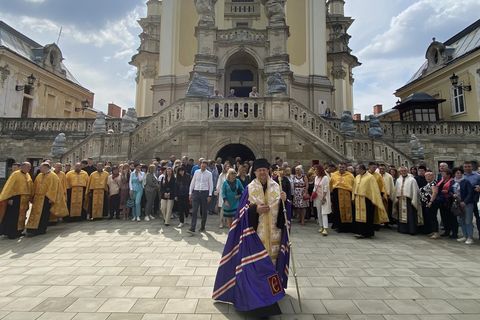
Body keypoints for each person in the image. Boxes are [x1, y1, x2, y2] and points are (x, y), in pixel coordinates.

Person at [212, 158, 290, 317]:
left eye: (264, 169)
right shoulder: (249, 188)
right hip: (256, 238)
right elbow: (240, 213)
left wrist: (285, 201)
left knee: (272, 267)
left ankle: (271, 297)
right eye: (259, 170)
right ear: (254, 172)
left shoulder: (277, 187)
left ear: (268, 170)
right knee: (258, 269)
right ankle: (258, 301)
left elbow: (285, 210)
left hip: (275, 235)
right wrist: (255, 210)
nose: (262, 172)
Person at [352, 164, 389, 238]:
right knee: (359, 217)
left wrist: (374, 198)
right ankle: (360, 232)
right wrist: (353, 197)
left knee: (367, 217)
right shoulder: (357, 177)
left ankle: (367, 233)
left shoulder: (370, 177)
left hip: (367, 199)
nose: (356, 170)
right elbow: (354, 187)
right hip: (358, 199)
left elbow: (374, 189)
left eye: (357, 169)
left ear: (362, 169)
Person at [25, 162, 60, 236]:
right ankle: (31, 228)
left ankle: (41, 229)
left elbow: (54, 188)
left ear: (45, 167)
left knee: (44, 214)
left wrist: (50, 198)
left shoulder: (53, 176)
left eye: (41, 167)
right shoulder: (39, 175)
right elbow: (35, 185)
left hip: (46, 198)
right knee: (34, 214)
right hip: (37, 198)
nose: (39, 169)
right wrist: (32, 196)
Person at [0, 162, 33, 239]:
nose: (29, 169)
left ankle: (19, 231)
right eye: (28, 167)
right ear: (23, 167)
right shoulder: (15, 174)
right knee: (13, 216)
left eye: (30, 167)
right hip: (15, 198)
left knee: (21, 216)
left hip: (24, 199)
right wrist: (9, 198)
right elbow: (9, 186)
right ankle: (11, 233)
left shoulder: (27, 175)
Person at [393, 166, 423, 235]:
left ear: (407, 171)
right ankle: (403, 229)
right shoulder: (398, 180)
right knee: (401, 215)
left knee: (410, 216)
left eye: (404, 171)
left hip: (409, 200)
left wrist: (414, 199)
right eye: (401, 171)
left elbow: (415, 191)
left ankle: (411, 230)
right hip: (400, 200)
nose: (403, 172)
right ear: (400, 172)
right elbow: (396, 189)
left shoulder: (412, 180)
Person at [450, 167, 474, 244]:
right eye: (457, 173)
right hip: (457, 203)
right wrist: (452, 194)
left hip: (467, 204)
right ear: (454, 174)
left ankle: (470, 237)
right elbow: (450, 191)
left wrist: (465, 202)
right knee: (461, 220)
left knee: (468, 220)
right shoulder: (453, 182)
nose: (458, 174)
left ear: (462, 174)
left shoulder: (466, 182)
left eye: (460, 173)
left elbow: (470, 193)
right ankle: (465, 236)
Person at [188, 159, 213, 234]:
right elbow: (193, 182)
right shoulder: (196, 172)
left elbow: (211, 185)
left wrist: (210, 195)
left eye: (205, 166)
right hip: (196, 192)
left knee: (204, 211)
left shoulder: (209, 174)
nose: (203, 167)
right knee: (194, 210)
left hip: (204, 193)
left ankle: (202, 226)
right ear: (200, 165)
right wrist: (190, 193)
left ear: (206, 166)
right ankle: (192, 228)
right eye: (202, 165)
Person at [329, 162, 355, 232]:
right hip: (336, 194)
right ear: (338, 167)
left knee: (348, 210)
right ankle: (339, 226)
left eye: (343, 167)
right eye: (340, 167)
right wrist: (331, 194)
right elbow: (331, 185)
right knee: (337, 210)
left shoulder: (350, 175)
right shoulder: (334, 175)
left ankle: (348, 227)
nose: (341, 168)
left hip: (347, 194)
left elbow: (353, 185)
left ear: (345, 168)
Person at [462, 161, 480, 240]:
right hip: (465, 201)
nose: (467, 168)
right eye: (465, 167)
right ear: (463, 168)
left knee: (478, 219)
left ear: (472, 167)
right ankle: (467, 235)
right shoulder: (462, 176)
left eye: (469, 166)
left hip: (475, 200)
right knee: (465, 219)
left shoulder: (478, 176)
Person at [436, 169, 455, 238]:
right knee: (444, 217)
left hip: (449, 201)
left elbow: (453, 190)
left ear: (448, 175)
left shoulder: (452, 181)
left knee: (451, 217)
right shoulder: (442, 181)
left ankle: (454, 232)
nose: (442, 175)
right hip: (441, 201)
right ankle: (446, 231)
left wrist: (447, 191)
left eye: (444, 174)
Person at [313, 165, 331, 236]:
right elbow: (315, 187)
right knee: (319, 212)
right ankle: (321, 226)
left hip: (324, 197)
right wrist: (312, 195)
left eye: (316, 170)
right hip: (317, 197)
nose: (315, 171)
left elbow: (326, 188)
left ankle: (325, 228)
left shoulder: (325, 177)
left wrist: (323, 198)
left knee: (324, 212)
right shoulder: (316, 177)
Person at [419, 171, 439, 238]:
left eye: (429, 176)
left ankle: (436, 232)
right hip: (426, 203)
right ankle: (433, 231)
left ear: (432, 176)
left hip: (431, 203)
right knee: (430, 217)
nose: (427, 177)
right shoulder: (428, 183)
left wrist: (431, 201)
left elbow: (434, 193)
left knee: (433, 217)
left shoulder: (433, 183)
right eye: (426, 176)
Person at [216, 163, 230, 228]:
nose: (228, 168)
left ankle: (227, 222)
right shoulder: (222, 175)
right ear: (224, 167)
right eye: (227, 167)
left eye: (229, 167)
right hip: (223, 193)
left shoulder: (232, 175)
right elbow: (219, 184)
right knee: (222, 208)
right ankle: (221, 222)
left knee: (229, 208)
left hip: (230, 193)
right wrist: (217, 191)